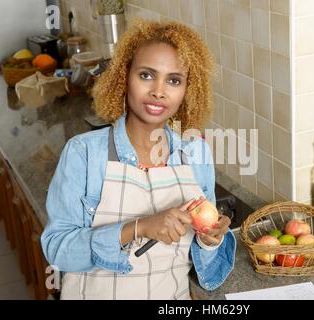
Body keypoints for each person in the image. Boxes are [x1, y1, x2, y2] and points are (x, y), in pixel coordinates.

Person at [41, 19, 236, 300]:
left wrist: (209, 240)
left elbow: (200, 257)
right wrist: (139, 227)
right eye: (146, 75)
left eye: (173, 80)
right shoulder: (84, 153)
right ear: (124, 77)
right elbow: (57, 249)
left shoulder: (196, 155)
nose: (159, 91)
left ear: (187, 91)